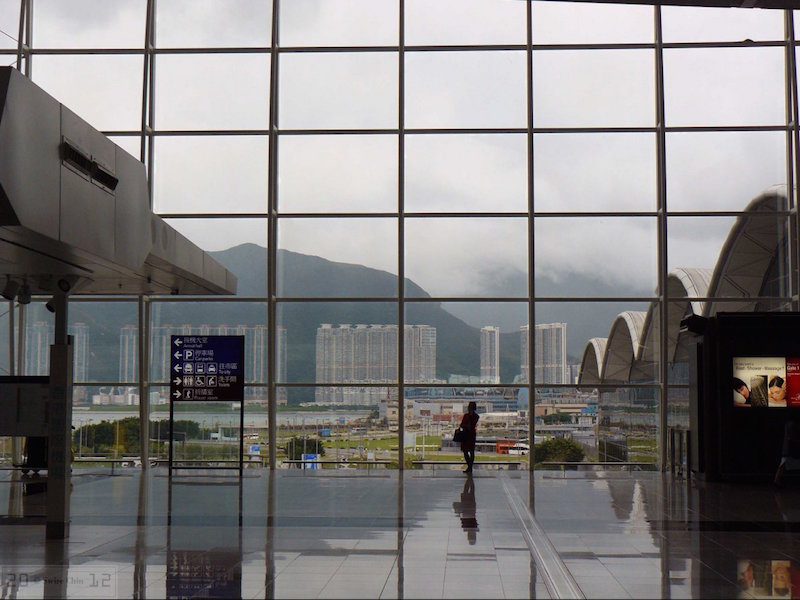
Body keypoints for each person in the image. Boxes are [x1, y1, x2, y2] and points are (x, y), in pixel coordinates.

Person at [774, 420, 800, 487]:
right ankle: (777, 481)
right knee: (783, 464)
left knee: (783, 464)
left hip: (788, 448)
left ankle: (777, 481)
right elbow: (792, 437)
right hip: (790, 448)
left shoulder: (788, 424)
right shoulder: (791, 425)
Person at [459, 401, 479, 474]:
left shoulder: (467, 416)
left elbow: (462, 425)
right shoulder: (476, 416)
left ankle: (469, 468)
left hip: (467, 435)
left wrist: (466, 425)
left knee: (468, 451)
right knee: (470, 452)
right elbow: (464, 425)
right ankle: (470, 467)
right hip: (470, 435)